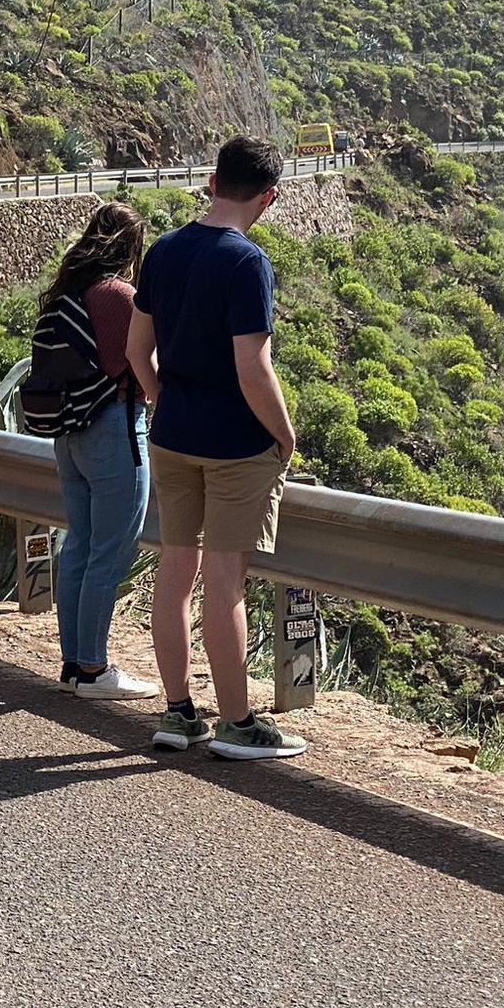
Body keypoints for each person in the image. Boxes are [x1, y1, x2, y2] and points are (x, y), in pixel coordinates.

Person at [127, 135, 306, 761]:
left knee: (175, 572)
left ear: (210, 180)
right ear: (269, 196)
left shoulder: (163, 252)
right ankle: (237, 723)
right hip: (235, 444)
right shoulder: (246, 261)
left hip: (172, 437)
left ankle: (178, 714)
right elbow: (252, 369)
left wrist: (159, 401)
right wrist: (284, 435)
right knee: (224, 580)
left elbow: (134, 353)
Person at [31, 202, 156, 700]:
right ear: (131, 247)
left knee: (80, 544)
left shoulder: (66, 294)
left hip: (69, 433)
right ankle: (94, 669)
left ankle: (74, 664)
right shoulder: (120, 296)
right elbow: (140, 360)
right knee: (112, 549)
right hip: (115, 428)